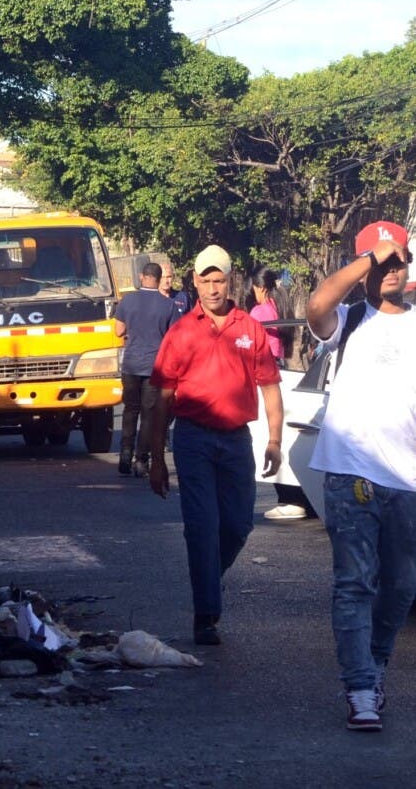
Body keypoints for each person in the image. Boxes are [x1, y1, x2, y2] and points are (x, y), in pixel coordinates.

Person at [305, 220, 416, 732]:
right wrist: (374, 254)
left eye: (399, 260)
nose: (392, 268)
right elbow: (315, 306)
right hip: (350, 475)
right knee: (355, 583)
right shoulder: (347, 320)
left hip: (408, 481)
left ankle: (372, 669)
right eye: (382, 261)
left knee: (401, 587)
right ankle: (360, 688)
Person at [148, 245, 283, 646]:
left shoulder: (249, 327)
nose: (212, 288)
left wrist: (275, 439)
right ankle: (206, 614)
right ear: (194, 282)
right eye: (205, 280)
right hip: (192, 439)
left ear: (230, 281)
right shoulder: (181, 330)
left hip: (236, 440)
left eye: (219, 280)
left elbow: (271, 388)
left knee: (239, 525)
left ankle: (207, 579)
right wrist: (156, 459)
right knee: (203, 525)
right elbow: (163, 399)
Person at [246, 268, 311, 520]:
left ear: (258, 288)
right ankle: (296, 495)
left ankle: (288, 498)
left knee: (266, 438)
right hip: (280, 370)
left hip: (262, 374)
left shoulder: (258, 312)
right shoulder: (281, 308)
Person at [113, 262, 179, 477]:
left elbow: (118, 331)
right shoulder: (168, 305)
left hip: (131, 364)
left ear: (142, 276)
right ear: (159, 279)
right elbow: (174, 338)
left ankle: (125, 452)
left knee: (130, 410)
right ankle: (142, 459)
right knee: (149, 414)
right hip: (154, 366)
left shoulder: (128, 300)